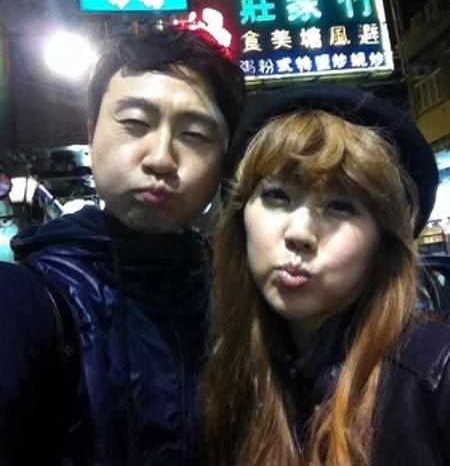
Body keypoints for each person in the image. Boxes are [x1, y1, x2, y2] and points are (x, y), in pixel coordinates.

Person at [0, 26, 245, 466]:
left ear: (223, 163)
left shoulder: (239, 300)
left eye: (194, 135)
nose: (160, 159)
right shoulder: (31, 300)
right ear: (91, 136)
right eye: (135, 124)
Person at [202, 82, 450, 466]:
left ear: (383, 240)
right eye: (276, 196)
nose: (300, 233)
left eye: (340, 206)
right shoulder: (230, 375)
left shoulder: (438, 374)